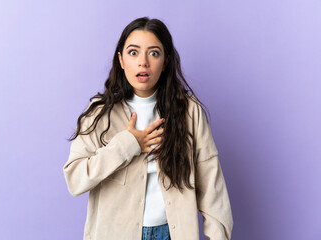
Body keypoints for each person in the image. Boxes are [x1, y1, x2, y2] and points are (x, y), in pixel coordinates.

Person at [63, 17, 233, 240]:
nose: (143, 62)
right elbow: (75, 180)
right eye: (133, 52)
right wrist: (128, 144)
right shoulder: (99, 112)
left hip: (173, 233)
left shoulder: (189, 111)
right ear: (121, 59)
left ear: (165, 62)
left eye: (153, 53)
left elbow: (212, 184)